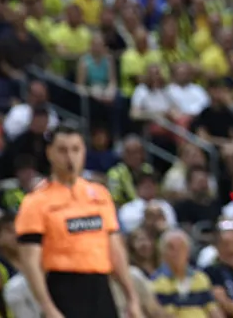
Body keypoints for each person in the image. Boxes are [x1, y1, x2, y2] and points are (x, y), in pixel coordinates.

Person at [15, 124, 142, 318]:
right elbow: (30, 262)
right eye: (62, 150)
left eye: (76, 149)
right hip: (63, 287)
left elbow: (115, 249)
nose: (70, 157)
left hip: (100, 287)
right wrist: (48, 308)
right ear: (50, 153)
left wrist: (132, 298)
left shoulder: (100, 195)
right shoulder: (36, 202)